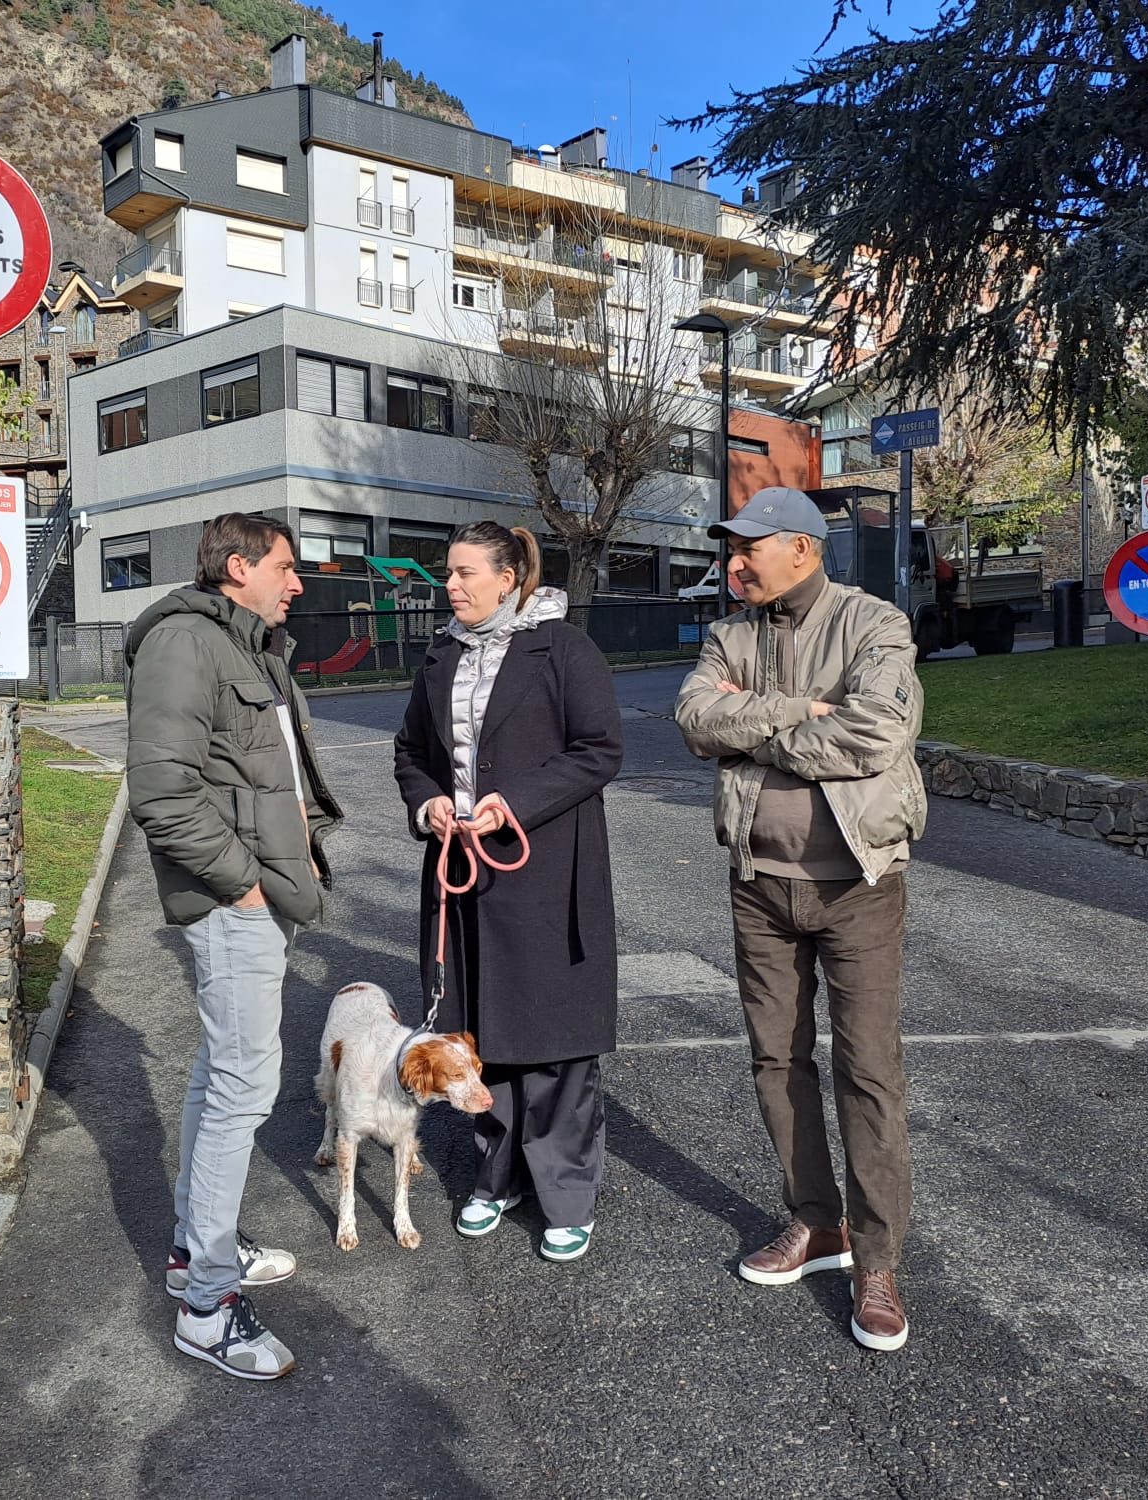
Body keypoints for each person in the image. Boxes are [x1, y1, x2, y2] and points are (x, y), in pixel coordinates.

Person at [672, 486, 926, 1353]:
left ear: (804, 550)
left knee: (868, 1070)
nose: (733, 563)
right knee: (776, 1060)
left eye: (749, 547)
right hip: (758, 884)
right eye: (730, 548)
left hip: (857, 884)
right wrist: (793, 710)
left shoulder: (875, 623)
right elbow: (694, 718)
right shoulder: (728, 632)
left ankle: (878, 1261)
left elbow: (876, 734)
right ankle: (816, 1224)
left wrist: (756, 731)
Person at [124, 513, 344, 1381]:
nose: (297, 585)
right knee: (244, 1087)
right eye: (286, 569)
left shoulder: (246, 644)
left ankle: (191, 1250)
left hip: (260, 894)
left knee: (223, 1074)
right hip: (233, 900)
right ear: (239, 567)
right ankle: (207, 1308)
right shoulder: (186, 642)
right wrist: (242, 883)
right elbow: (163, 793)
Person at [393, 522, 623, 1262]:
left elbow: (599, 750)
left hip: (544, 871)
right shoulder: (439, 656)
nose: (450, 586)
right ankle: (499, 1173)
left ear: (508, 577)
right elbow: (410, 753)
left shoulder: (564, 648)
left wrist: (514, 803)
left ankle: (564, 1192)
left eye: (464, 574)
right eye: (448, 574)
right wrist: (428, 800)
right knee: (482, 1032)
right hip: (461, 875)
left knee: (552, 1037)